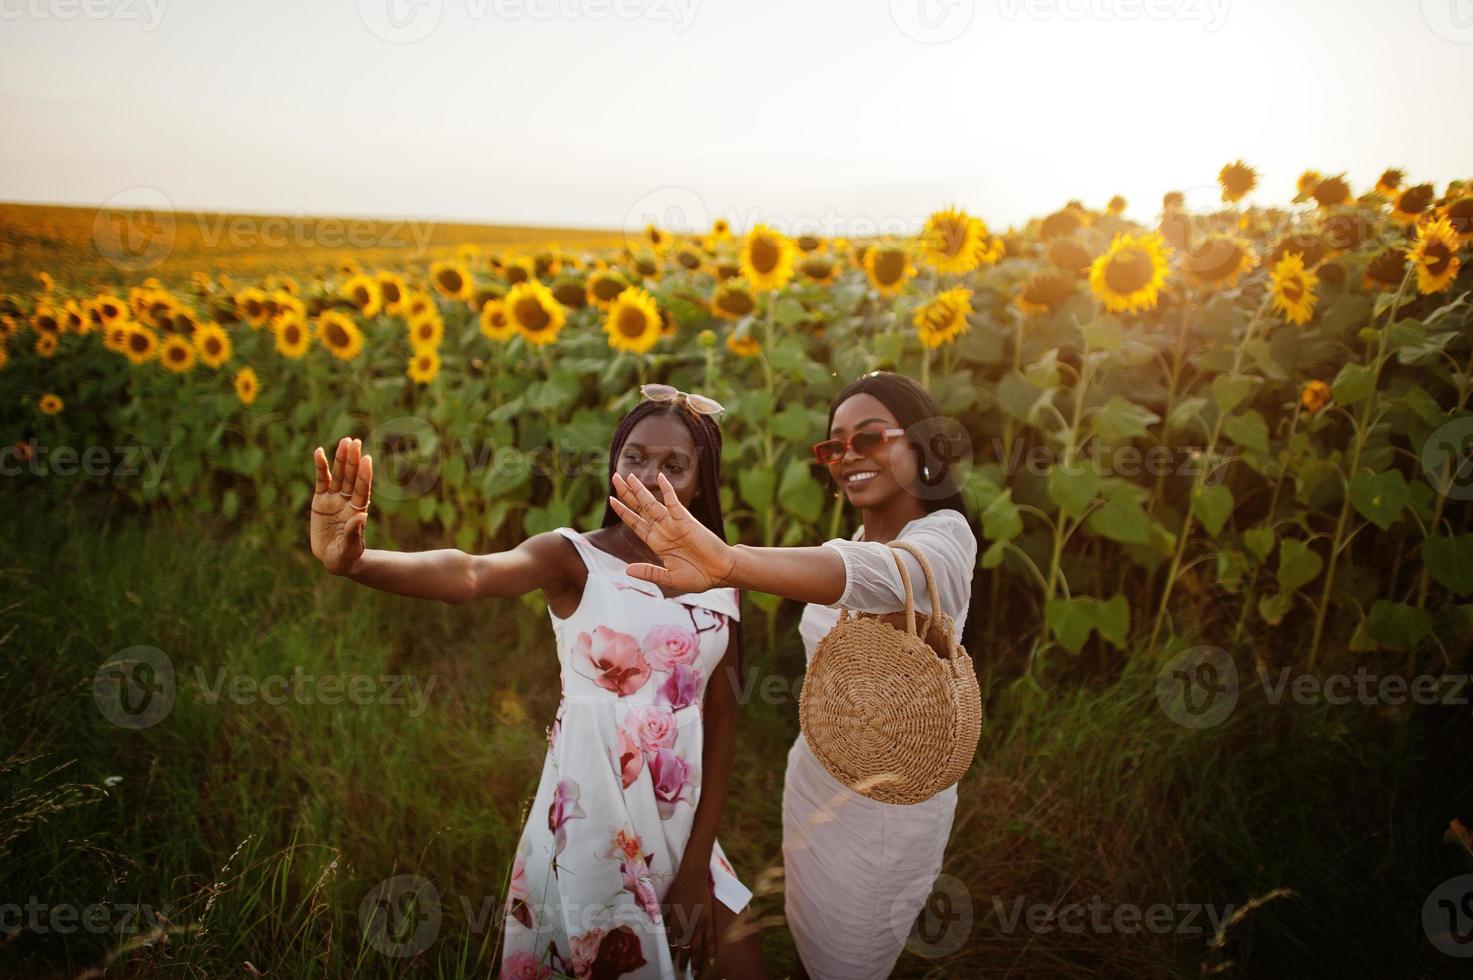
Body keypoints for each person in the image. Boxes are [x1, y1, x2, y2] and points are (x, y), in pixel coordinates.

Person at [308, 385, 768, 980]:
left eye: (674, 465)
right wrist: (357, 563)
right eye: (635, 457)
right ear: (614, 464)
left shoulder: (720, 574)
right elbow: (472, 573)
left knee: (740, 957)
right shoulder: (573, 558)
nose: (650, 475)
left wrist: (698, 856)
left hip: (682, 818)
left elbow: (722, 721)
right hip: (597, 813)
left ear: (701, 483)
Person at [607, 371, 980, 980]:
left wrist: (728, 564)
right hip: (813, 781)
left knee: (849, 964)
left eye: (870, 438)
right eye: (834, 446)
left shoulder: (942, 537)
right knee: (811, 952)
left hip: (887, 808)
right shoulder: (852, 538)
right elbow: (846, 564)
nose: (848, 458)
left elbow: (890, 575)